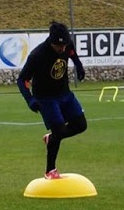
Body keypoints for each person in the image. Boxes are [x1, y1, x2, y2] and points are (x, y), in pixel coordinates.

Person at [17, 20, 89, 178]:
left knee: (81, 125)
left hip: (64, 93)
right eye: (59, 46)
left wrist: (78, 65)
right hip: (46, 98)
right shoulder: (37, 55)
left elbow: (71, 53)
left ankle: (51, 138)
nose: (62, 49)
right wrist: (30, 100)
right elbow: (22, 80)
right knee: (60, 130)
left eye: (64, 46)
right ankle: (50, 170)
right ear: (51, 41)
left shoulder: (66, 45)